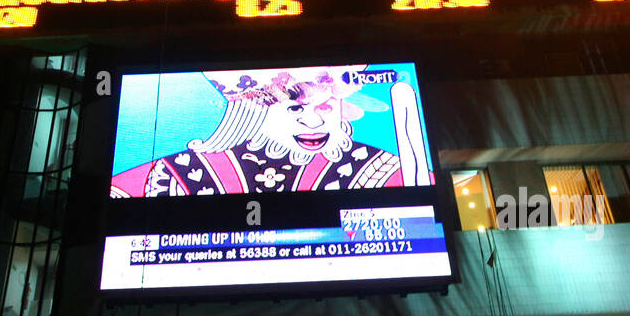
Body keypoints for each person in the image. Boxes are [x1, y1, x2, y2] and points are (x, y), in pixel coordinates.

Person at [109, 65, 431, 197]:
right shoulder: (186, 170)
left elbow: (423, 203)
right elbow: (119, 198)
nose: (313, 123)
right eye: (294, 110)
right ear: (252, 114)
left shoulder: (375, 167)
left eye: (325, 108)